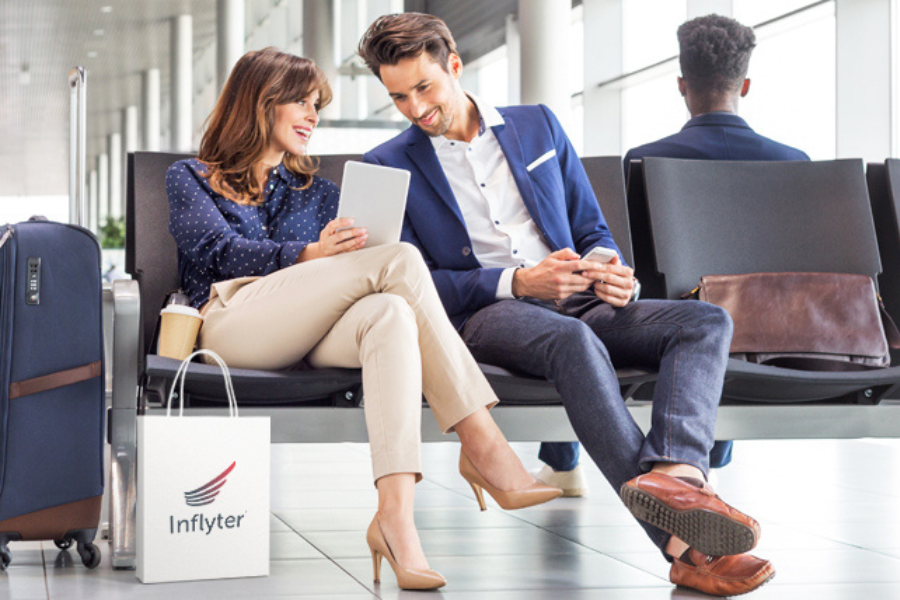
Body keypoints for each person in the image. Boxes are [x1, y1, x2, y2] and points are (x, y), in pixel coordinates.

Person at [358, 13, 774, 596]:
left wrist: (610, 267)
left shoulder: (538, 127)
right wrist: (520, 284)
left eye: (424, 87)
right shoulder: (388, 164)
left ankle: (678, 474)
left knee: (705, 320)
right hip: (488, 315)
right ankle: (685, 546)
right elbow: (412, 284)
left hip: (581, 297)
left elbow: (590, 226)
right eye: (398, 96)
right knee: (571, 342)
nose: (415, 108)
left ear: (455, 66)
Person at [166, 48, 561, 591]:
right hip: (232, 323)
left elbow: (357, 278)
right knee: (399, 261)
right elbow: (215, 252)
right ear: (260, 103)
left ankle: (394, 520)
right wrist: (311, 255)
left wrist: (344, 252)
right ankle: (483, 442)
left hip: (311, 332)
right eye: (299, 102)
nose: (312, 116)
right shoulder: (191, 176)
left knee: (390, 312)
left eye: (316, 106)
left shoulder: (320, 193)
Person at [624, 14, 810, 471]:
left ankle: (561, 457)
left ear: (682, 85)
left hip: (676, 333)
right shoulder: (796, 164)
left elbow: (633, 262)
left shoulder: (644, 161)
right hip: (776, 333)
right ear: (744, 85)